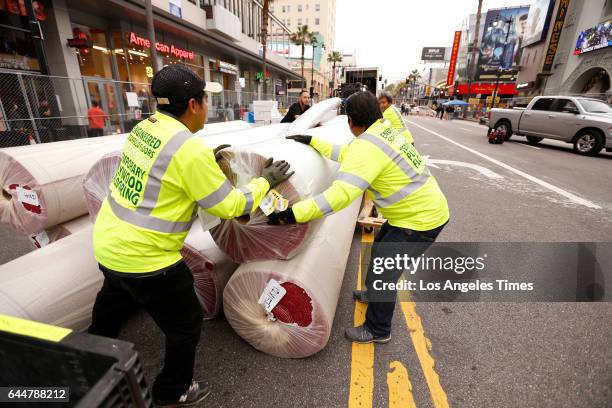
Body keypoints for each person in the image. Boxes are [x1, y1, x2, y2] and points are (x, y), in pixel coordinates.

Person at [88, 65, 293, 407]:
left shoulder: (145, 128)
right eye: (205, 100)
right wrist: (264, 181)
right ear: (194, 105)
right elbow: (230, 206)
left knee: (112, 304)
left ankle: (90, 360)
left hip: (109, 245)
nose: (208, 106)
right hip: (150, 261)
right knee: (185, 324)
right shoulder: (189, 150)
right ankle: (173, 390)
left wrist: (206, 165)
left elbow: (166, 169)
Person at [277, 91, 450, 344]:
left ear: (351, 121)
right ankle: (372, 294)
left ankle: (378, 330)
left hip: (419, 221)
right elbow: (345, 154)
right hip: (414, 214)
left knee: (385, 273)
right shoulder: (383, 132)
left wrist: (294, 213)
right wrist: (312, 141)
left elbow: (340, 195)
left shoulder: (368, 146)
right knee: (379, 249)